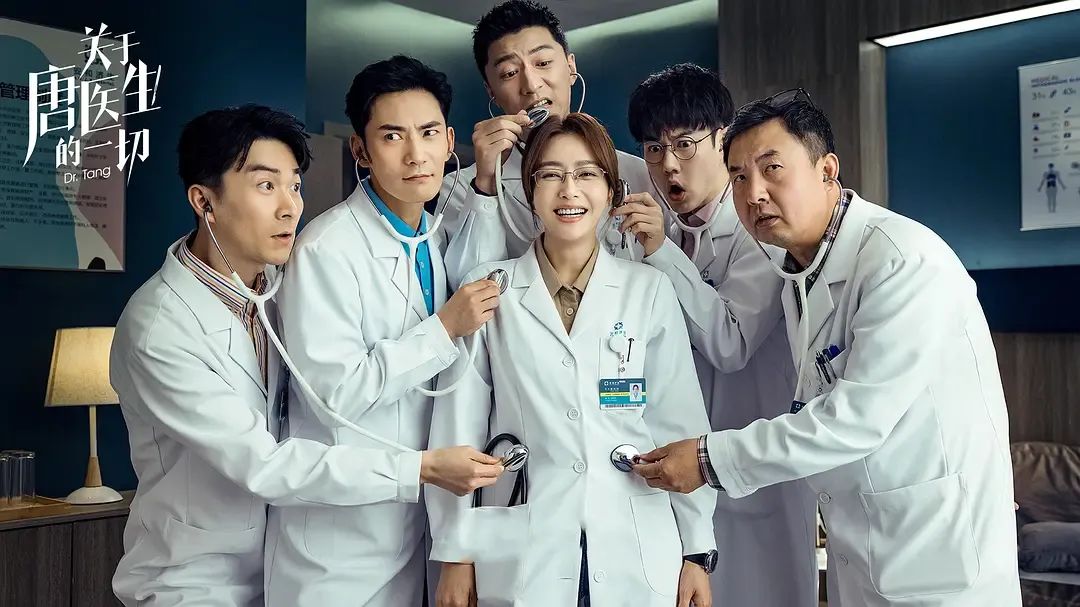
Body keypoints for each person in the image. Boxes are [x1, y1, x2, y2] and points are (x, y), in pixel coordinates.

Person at [633, 89, 1021, 606]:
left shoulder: (903, 261)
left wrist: (708, 459)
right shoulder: (798, 270)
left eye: (772, 169)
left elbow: (854, 420)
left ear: (827, 170)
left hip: (939, 554)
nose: (754, 194)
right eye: (740, 177)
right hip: (864, 549)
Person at [110, 104, 500, 607]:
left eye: (294, 185)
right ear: (204, 201)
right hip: (193, 580)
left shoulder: (275, 287)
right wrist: (420, 468)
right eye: (265, 186)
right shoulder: (159, 326)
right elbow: (264, 464)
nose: (290, 207)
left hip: (279, 567)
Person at [427, 113, 716, 607]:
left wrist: (696, 549)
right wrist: (455, 553)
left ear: (611, 191)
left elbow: (679, 424)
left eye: (586, 174)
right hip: (525, 545)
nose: (569, 190)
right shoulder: (490, 288)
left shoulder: (648, 291)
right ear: (530, 190)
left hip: (636, 543)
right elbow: (459, 428)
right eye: (551, 175)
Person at [263, 56, 508, 607]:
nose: (415, 154)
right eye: (392, 136)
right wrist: (444, 328)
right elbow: (335, 395)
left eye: (428, 133)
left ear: (450, 142)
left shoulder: (433, 236)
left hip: (413, 524)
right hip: (338, 543)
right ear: (360, 150)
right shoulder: (325, 249)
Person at [616, 63, 818, 606]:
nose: (668, 165)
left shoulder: (761, 225)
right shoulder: (656, 228)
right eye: (653, 150)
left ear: (722, 139)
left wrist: (661, 253)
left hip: (751, 468)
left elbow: (731, 344)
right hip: (674, 476)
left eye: (684, 145)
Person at [438, 0, 662, 262]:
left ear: (571, 68)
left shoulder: (639, 174)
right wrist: (486, 188)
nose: (531, 85)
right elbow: (470, 281)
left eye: (543, 62)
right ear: (491, 91)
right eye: (509, 73)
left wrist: (658, 246)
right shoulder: (460, 188)